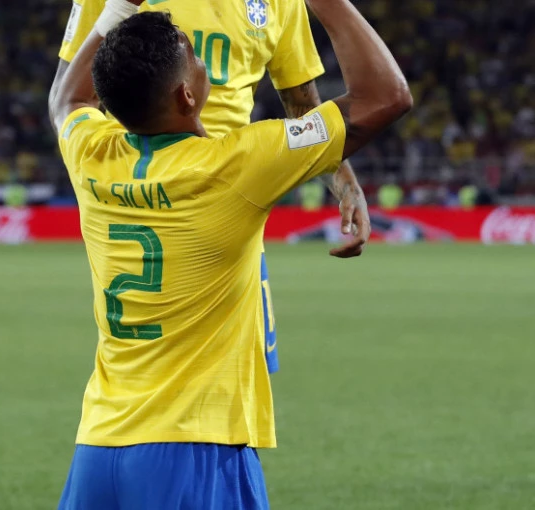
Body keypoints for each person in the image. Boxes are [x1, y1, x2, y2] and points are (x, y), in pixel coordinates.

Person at [48, 0, 411, 506]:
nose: (204, 62)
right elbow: (387, 96)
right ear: (188, 95)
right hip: (195, 450)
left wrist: (118, 8)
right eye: (195, 57)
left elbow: (66, 98)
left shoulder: (91, 154)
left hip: (98, 449)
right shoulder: (238, 167)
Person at [51, 0, 371, 376]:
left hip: (234, 201)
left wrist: (346, 184)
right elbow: (74, 89)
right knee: (162, 366)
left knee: (239, 372)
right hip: (151, 202)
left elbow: (302, 105)